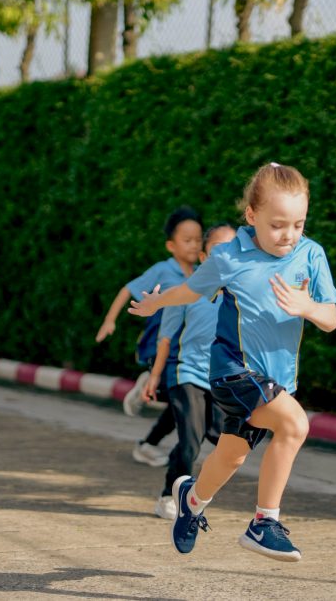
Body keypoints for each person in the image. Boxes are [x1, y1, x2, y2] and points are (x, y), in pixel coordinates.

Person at [129, 162, 336, 562]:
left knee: (232, 454)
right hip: (234, 371)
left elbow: (330, 319)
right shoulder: (229, 257)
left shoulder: (311, 254)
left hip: (278, 379)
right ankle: (264, 523)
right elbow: (191, 291)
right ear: (252, 216)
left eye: (298, 224)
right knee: (295, 425)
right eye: (278, 224)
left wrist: (307, 306)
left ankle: (191, 499)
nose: (289, 235)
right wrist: (156, 302)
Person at [141, 223, 237, 520]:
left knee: (221, 439)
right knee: (191, 440)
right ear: (205, 256)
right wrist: (155, 376)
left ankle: (182, 473)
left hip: (220, 378)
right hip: (188, 375)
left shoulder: (240, 294)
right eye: (219, 250)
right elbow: (166, 338)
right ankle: (169, 495)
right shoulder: (185, 291)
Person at [95, 206, 203, 466]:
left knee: (185, 399)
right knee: (179, 394)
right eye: (187, 240)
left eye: (198, 239)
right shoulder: (163, 270)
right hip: (161, 340)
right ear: (170, 245)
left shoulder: (202, 274)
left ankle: (147, 444)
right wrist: (110, 320)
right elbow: (127, 289)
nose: (193, 245)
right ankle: (147, 383)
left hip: (185, 345)